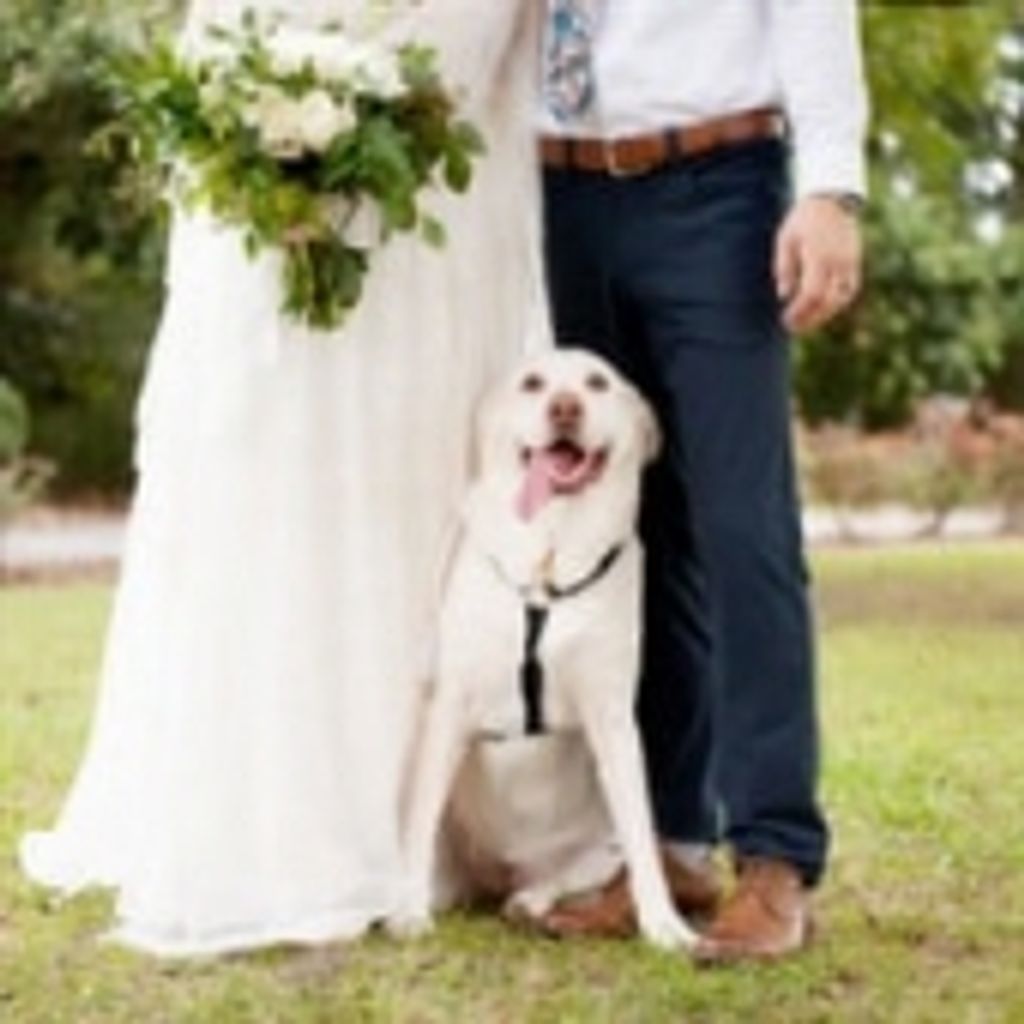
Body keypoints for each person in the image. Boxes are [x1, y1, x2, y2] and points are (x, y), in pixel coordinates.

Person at [20, 0, 543, 957]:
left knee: (403, 512)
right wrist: (262, 131)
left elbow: (483, 59)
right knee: (271, 515)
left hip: (419, 261)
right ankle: (269, 812)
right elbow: (215, 43)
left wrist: (359, 100)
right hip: (266, 266)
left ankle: (415, 810)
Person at [538, 0, 869, 962]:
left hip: (714, 188)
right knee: (639, 532)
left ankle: (774, 856)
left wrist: (831, 190)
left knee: (740, 527)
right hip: (563, 196)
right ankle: (671, 846)